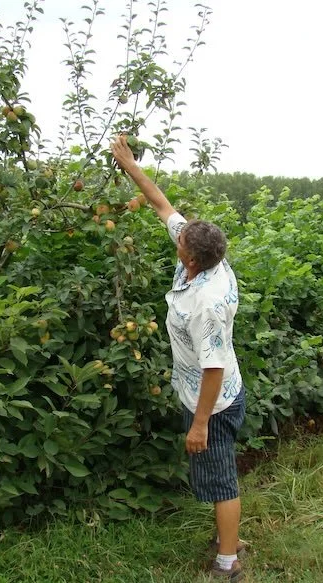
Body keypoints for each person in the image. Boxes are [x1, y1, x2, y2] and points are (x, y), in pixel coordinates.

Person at [111, 135, 247, 581]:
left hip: (216, 402)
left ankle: (228, 560)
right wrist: (129, 164)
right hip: (216, 392)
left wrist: (201, 422)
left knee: (222, 479)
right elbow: (161, 205)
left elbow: (213, 365)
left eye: (181, 240)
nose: (177, 232)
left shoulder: (206, 302)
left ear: (189, 258)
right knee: (216, 473)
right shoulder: (208, 258)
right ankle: (227, 539)